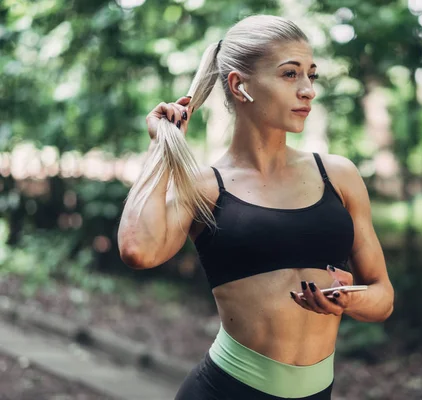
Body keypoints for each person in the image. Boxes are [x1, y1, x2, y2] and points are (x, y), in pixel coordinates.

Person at [117, 14, 394, 400]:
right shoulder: (205, 188)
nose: (308, 90)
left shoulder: (339, 176)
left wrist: (350, 300)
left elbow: (383, 296)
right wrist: (161, 147)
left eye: (311, 75)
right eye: (289, 74)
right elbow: (137, 250)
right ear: (239, 85)